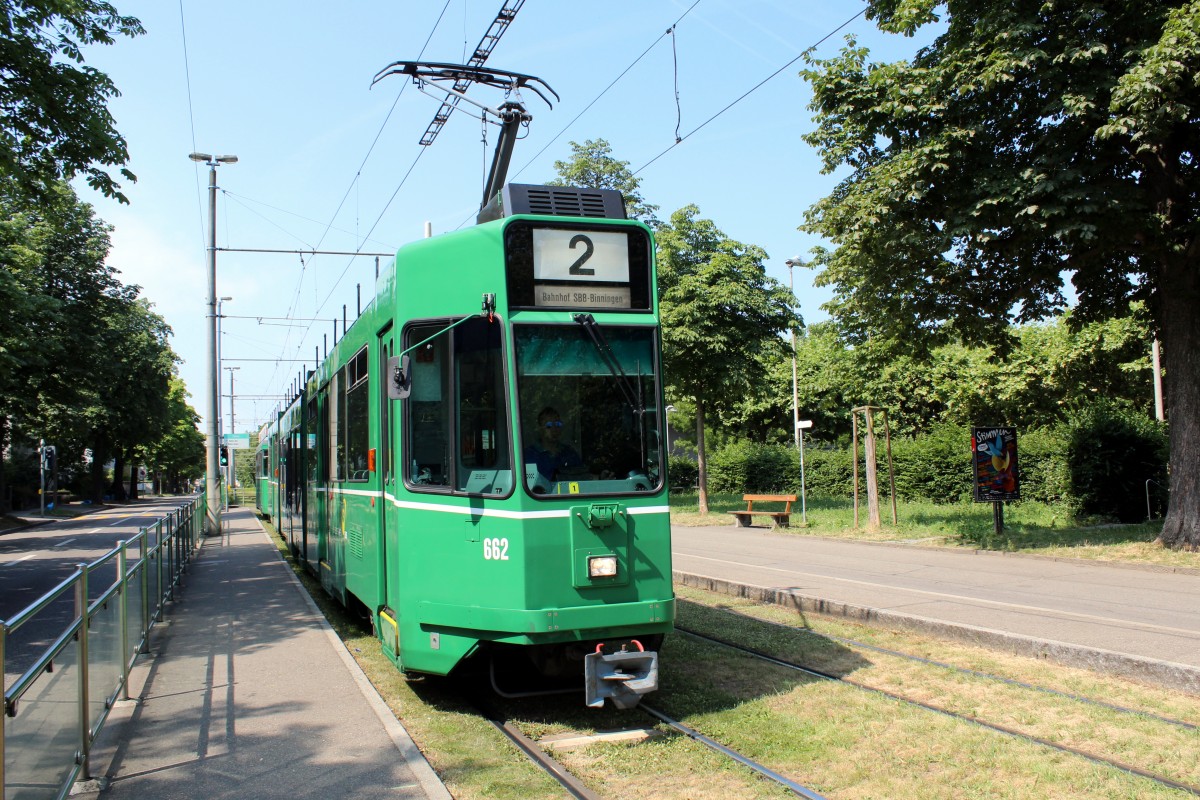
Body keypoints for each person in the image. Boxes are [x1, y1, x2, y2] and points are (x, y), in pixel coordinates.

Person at [524, 407, 586, 482]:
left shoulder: (569, 453)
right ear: (540, 428)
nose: (554, 429)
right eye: (549, 425)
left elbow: (583, 478)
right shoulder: (529, 455)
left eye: (558, 424)